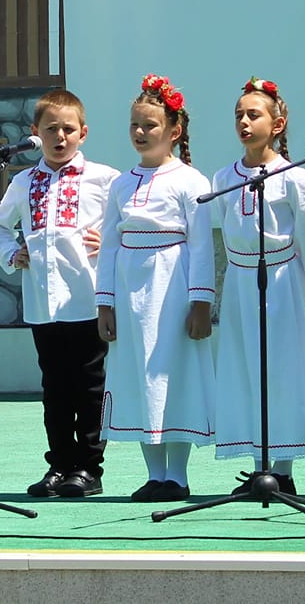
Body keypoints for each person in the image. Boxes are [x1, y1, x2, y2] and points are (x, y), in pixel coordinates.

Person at [0, 88, 119, 498]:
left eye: (68, 129)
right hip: (44, 303)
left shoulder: (105, 178)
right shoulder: (25, 181)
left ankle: (88, 467)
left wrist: (111, 239)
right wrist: (13, 253)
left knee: (90, 386)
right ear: (34, 132)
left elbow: (127, 222)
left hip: (87, 297)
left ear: (83, 132)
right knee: (55, 388)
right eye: (50, 130)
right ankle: (59, 465)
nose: (59, 137)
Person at [94, 74, 214, 503]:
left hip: (173, 283)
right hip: (130, 289)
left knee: (171, 373)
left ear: (174, 131)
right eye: (135, 125)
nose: (141, 133)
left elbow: (201, 246)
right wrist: (104, 303)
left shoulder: (191, 180)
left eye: (150, 125)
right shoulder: (121, 184)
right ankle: (154, 472)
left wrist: (201, 301)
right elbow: (109, 244)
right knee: (140, 375)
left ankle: (177, 475)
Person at [202, 78, 305, 491]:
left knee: (283, 372)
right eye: (239, 114)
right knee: (245, 368)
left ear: (278, 123)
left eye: (254, 114)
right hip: (240, 279)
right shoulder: (223, 176)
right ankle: (258, 464)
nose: (244, 121)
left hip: (284, 279)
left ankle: (284, 470)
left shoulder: (295, 177)